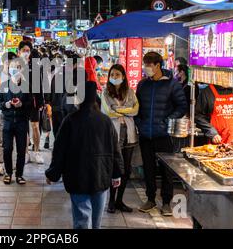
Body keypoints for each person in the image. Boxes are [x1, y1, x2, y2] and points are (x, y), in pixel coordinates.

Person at [46, 81, 124, 229]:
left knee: (82, 220)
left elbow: (59, 150)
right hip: (100, 176)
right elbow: (115, 149)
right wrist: (116, 174)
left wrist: (53, 173)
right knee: (96, 222)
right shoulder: (105, 121)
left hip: (77, 177)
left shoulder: (70, 120)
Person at [135, 52, 187, 216]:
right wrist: (139, 123)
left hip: (164, 134)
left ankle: (166, 202)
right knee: (148, 168)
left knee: (166, 170)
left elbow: (182, 106)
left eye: (149, 65)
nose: (146, 68)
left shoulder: (172, 85)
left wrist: (167, 120)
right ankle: (150, 199)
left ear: (158, 65)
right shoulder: (142, 84)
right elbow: (136, 107)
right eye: (145, 64)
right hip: (145, 134)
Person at [101, 64, 139, 213]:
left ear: (123, 76)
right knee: (114, 169)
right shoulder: (105, 93)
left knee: (126, 170)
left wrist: (119, 110)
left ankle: (119, 201)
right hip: (113, 135)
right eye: (112, 74)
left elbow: (135, 110)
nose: (114, 77)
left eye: (117, 75)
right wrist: (125, 111)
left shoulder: (130, 92)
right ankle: (111, 201)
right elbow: (108, 112)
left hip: (129, 134)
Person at [0, 58, 33, 185]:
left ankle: (19, 174)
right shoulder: (3, 86)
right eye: (13, 67)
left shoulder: (26, 86)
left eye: (18, 67)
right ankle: (8, 173)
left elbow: (30, 104)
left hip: (22, 122)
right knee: (7, 149)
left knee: (21, 149)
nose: (15, 69)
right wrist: (7, 104)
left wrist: (22, 104)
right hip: (7, 121)